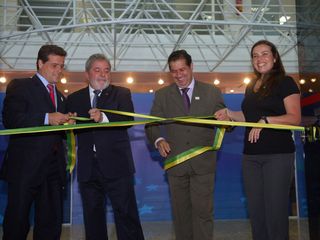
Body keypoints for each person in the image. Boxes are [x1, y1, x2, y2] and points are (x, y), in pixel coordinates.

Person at [215, 40, 301, 240]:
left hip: (277, 156)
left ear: (275, 57)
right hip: (251, 157)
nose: (259, 59)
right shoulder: (251, 86)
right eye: (255, 55)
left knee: (275, 213)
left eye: (264, 54)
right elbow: (248, 118)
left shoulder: (286, 82)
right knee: (256, 213)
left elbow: (295, 118)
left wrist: (266, 120)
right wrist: (229, 113)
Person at [145, 50, 226, 240]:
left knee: (203, 215)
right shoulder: (162, 95)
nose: (179, 75)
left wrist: (226, 119)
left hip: (203, 166)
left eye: (182, 69)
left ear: (191, 67)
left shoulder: (212, 92)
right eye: (174, 71)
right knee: (181, 216)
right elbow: (151, 124)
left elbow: (224, 123)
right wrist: (159, 140)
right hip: (176, 164)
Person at [67, 54, 144, 240]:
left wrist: (103, 118)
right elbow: (69, 129)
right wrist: (67, 124)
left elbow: (127, 121)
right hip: (88, 169)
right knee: (92, 219)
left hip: (117, 166)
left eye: (107, 70)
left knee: (126, 216)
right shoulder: (74, 98)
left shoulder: (122, 93)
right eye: (97, 69)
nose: (103, 74)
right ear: (87, 74)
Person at [1, 45, 71, 239]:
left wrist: (68, 125)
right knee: (17, 221)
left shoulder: (61, 97)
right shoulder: (20, 86)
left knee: (50, 224)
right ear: (40, 63)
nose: (58, 70)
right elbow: (11, 119)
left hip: (53, 170)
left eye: (61, 66)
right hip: (25, 167)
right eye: (54, 65)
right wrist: (47, 118)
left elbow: (59, 133)